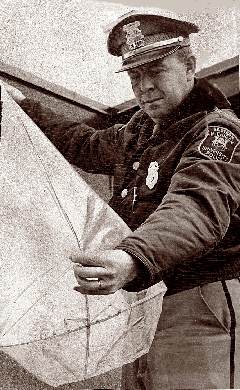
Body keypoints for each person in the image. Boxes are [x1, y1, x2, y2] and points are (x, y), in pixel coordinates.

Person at [6, 12, 240, 390]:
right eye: (134, 77)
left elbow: (195, 207)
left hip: (199, 299)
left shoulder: (216, 132)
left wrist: (132, 257)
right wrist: (23, 104)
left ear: (189, 67)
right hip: (146, 297)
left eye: (156, 71)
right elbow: (86, 144)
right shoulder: (142, 131)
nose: (144, 87)